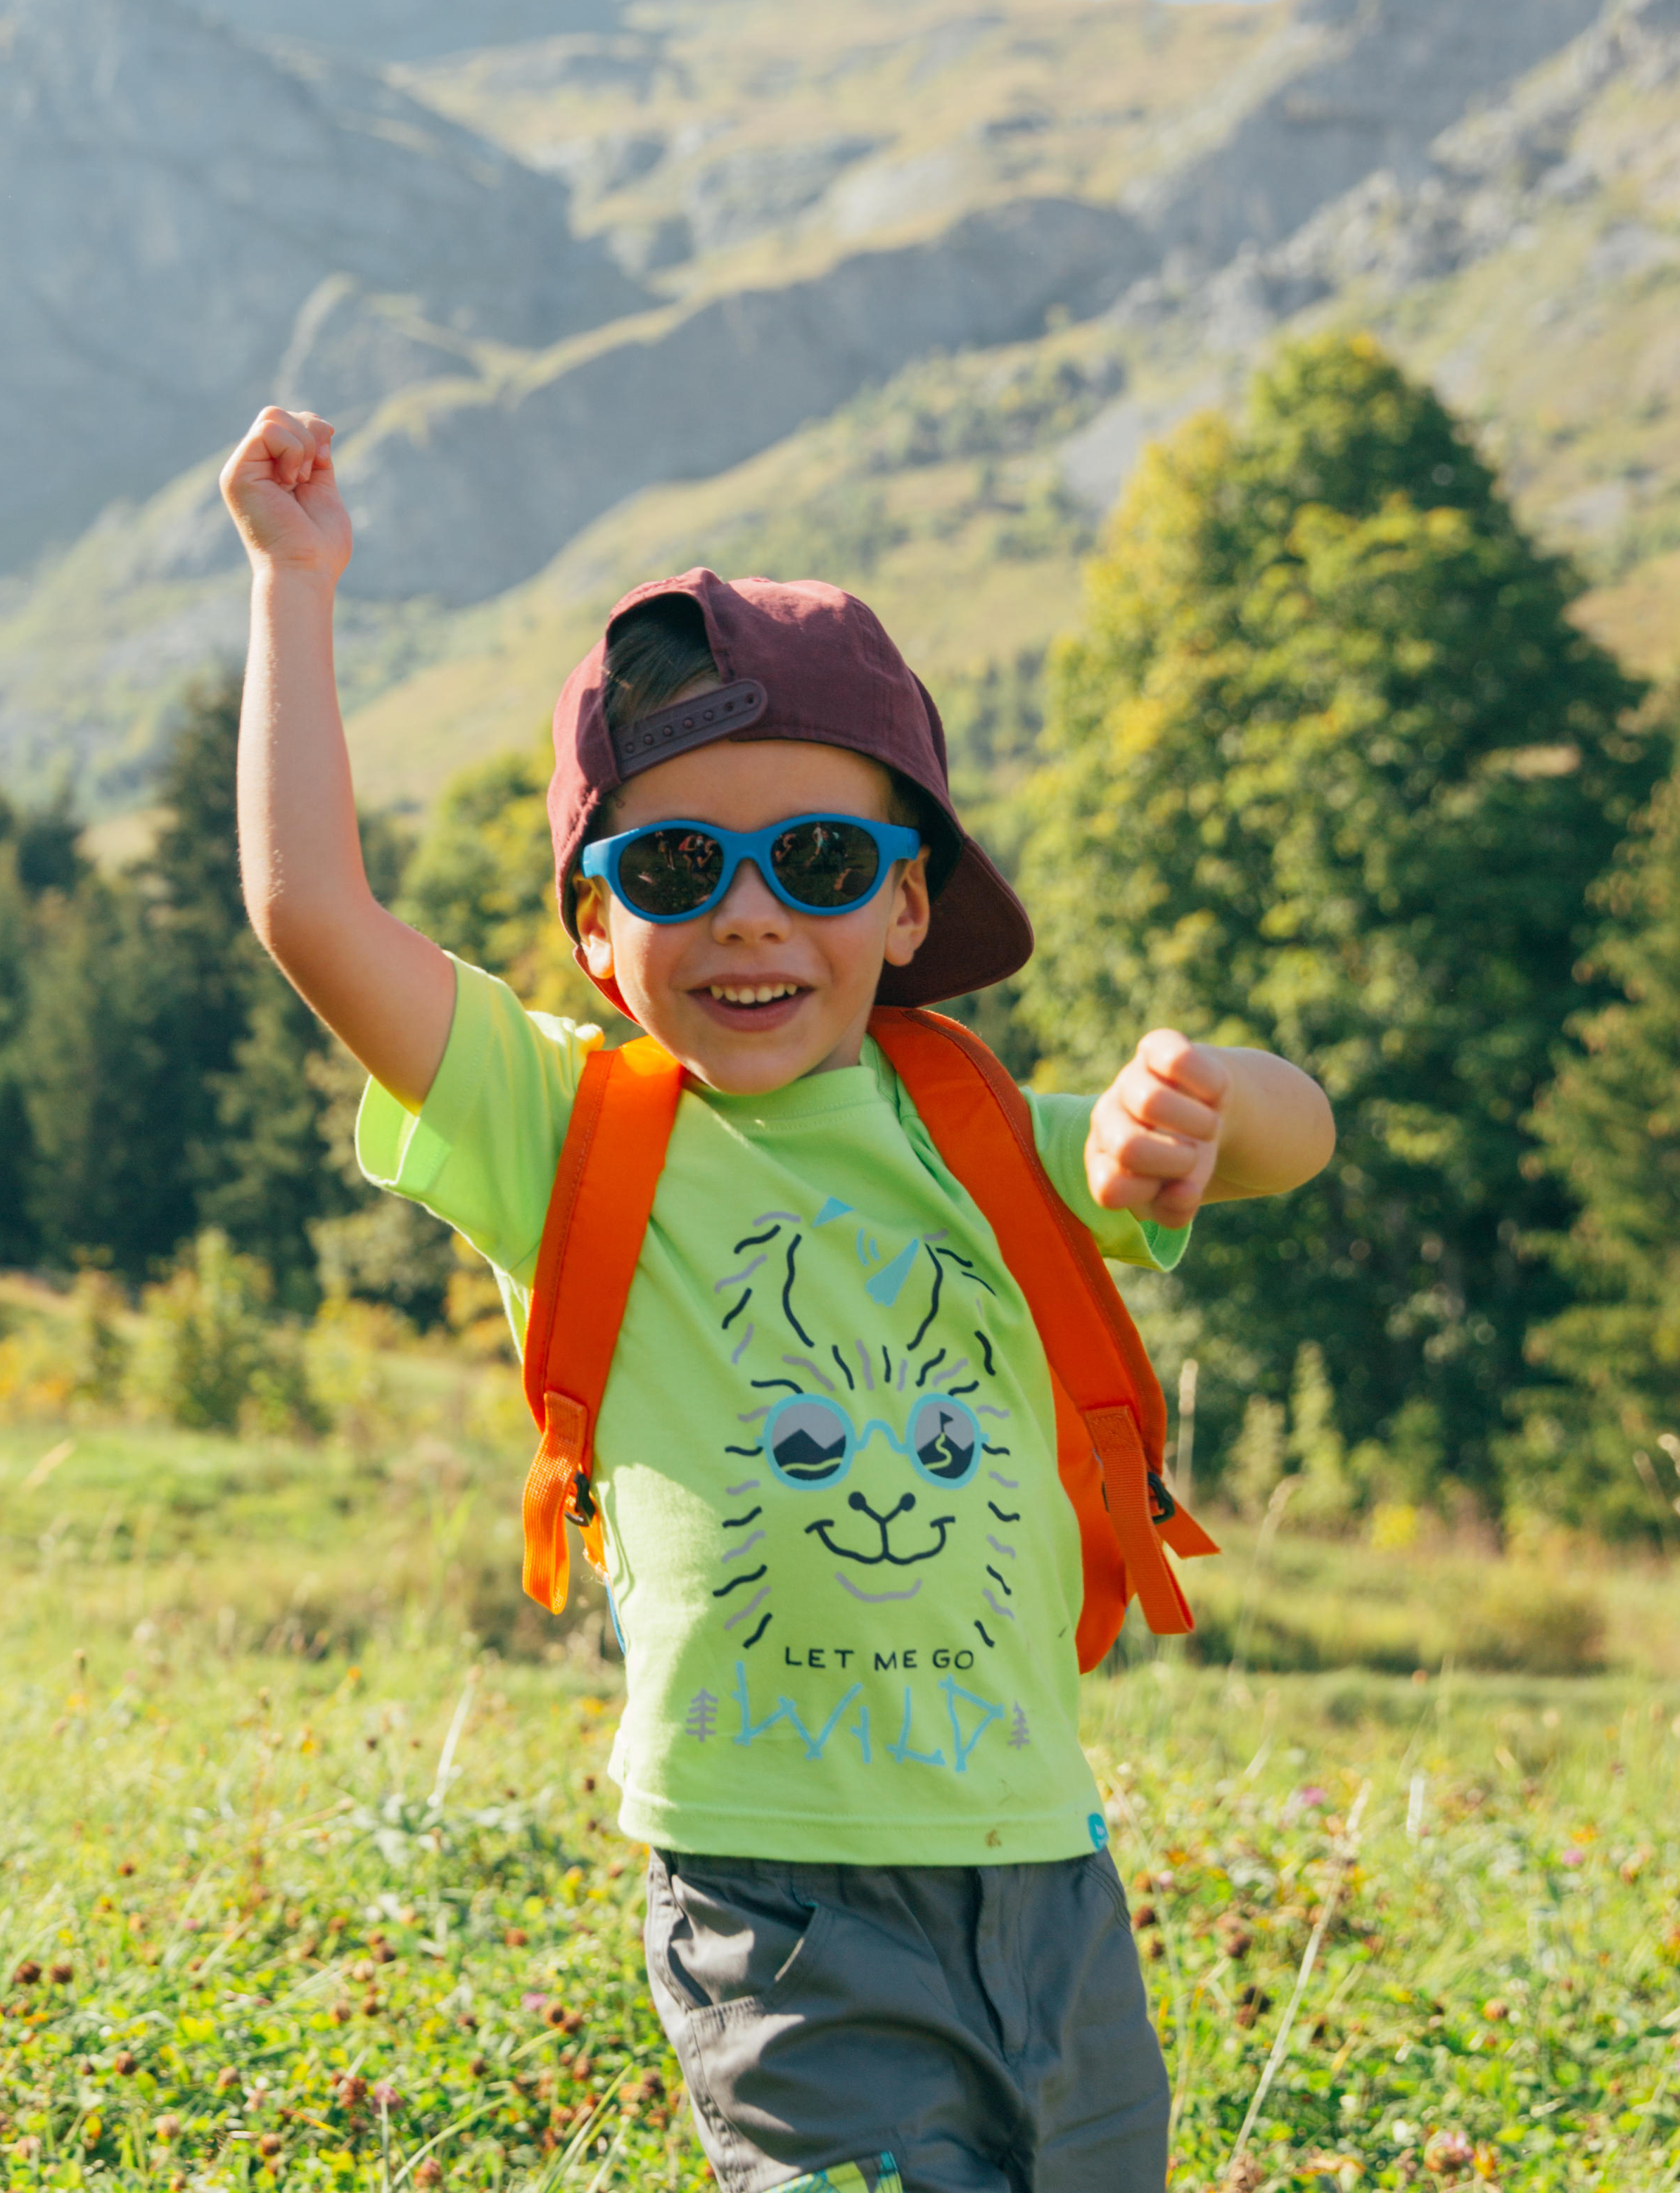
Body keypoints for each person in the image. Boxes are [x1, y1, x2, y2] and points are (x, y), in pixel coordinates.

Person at [218, 403, 1335, 2193]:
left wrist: (1202, 1104)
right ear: (594, 932)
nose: (749, 918)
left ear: (908, 906)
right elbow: (309, 907)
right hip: (779, 1901)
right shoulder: (564, 1126)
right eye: (675, 870)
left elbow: (1301, 1133)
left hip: (1048, 1867)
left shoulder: (985, 1141)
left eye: (815, 865)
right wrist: (296, 589)